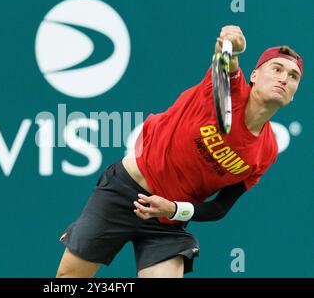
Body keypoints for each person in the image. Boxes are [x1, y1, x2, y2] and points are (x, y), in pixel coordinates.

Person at [56, 25, 304, 278]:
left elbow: (219, 207)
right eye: (277, 69)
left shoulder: (267, 151)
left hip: (167, 221)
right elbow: (227, 61)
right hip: (123, 193)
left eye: (293, 76)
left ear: (294, 95)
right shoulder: (228, 90)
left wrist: (173, 210)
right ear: (254, 75)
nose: (284, 78)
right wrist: (233, 47)